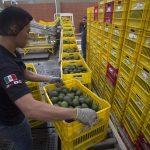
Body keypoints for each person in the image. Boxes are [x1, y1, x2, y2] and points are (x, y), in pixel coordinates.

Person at [0, 7, 97, 150]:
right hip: (8, 119)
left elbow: (26, 73)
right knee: (25, 142)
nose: (30, 35)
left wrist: (50, 78)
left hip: (12, 109)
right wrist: (77, 113)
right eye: (27, 31)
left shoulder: (11, 52)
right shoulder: (5, 64)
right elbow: (31, 108)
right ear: (14, 29)